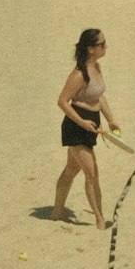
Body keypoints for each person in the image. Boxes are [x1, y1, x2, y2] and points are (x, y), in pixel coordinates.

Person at [52, 28, 121, 230]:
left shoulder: (97, 68)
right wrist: (82, 123)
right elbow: (62, 101)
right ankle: (100, 221)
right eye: (102, 44)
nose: (105, 47)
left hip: (92, 121)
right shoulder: (79, 74)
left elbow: (98, 96)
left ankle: (56, 213)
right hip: (76, 125)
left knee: (71, 170)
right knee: (92, 173)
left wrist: (110, 119)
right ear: (91, 49)